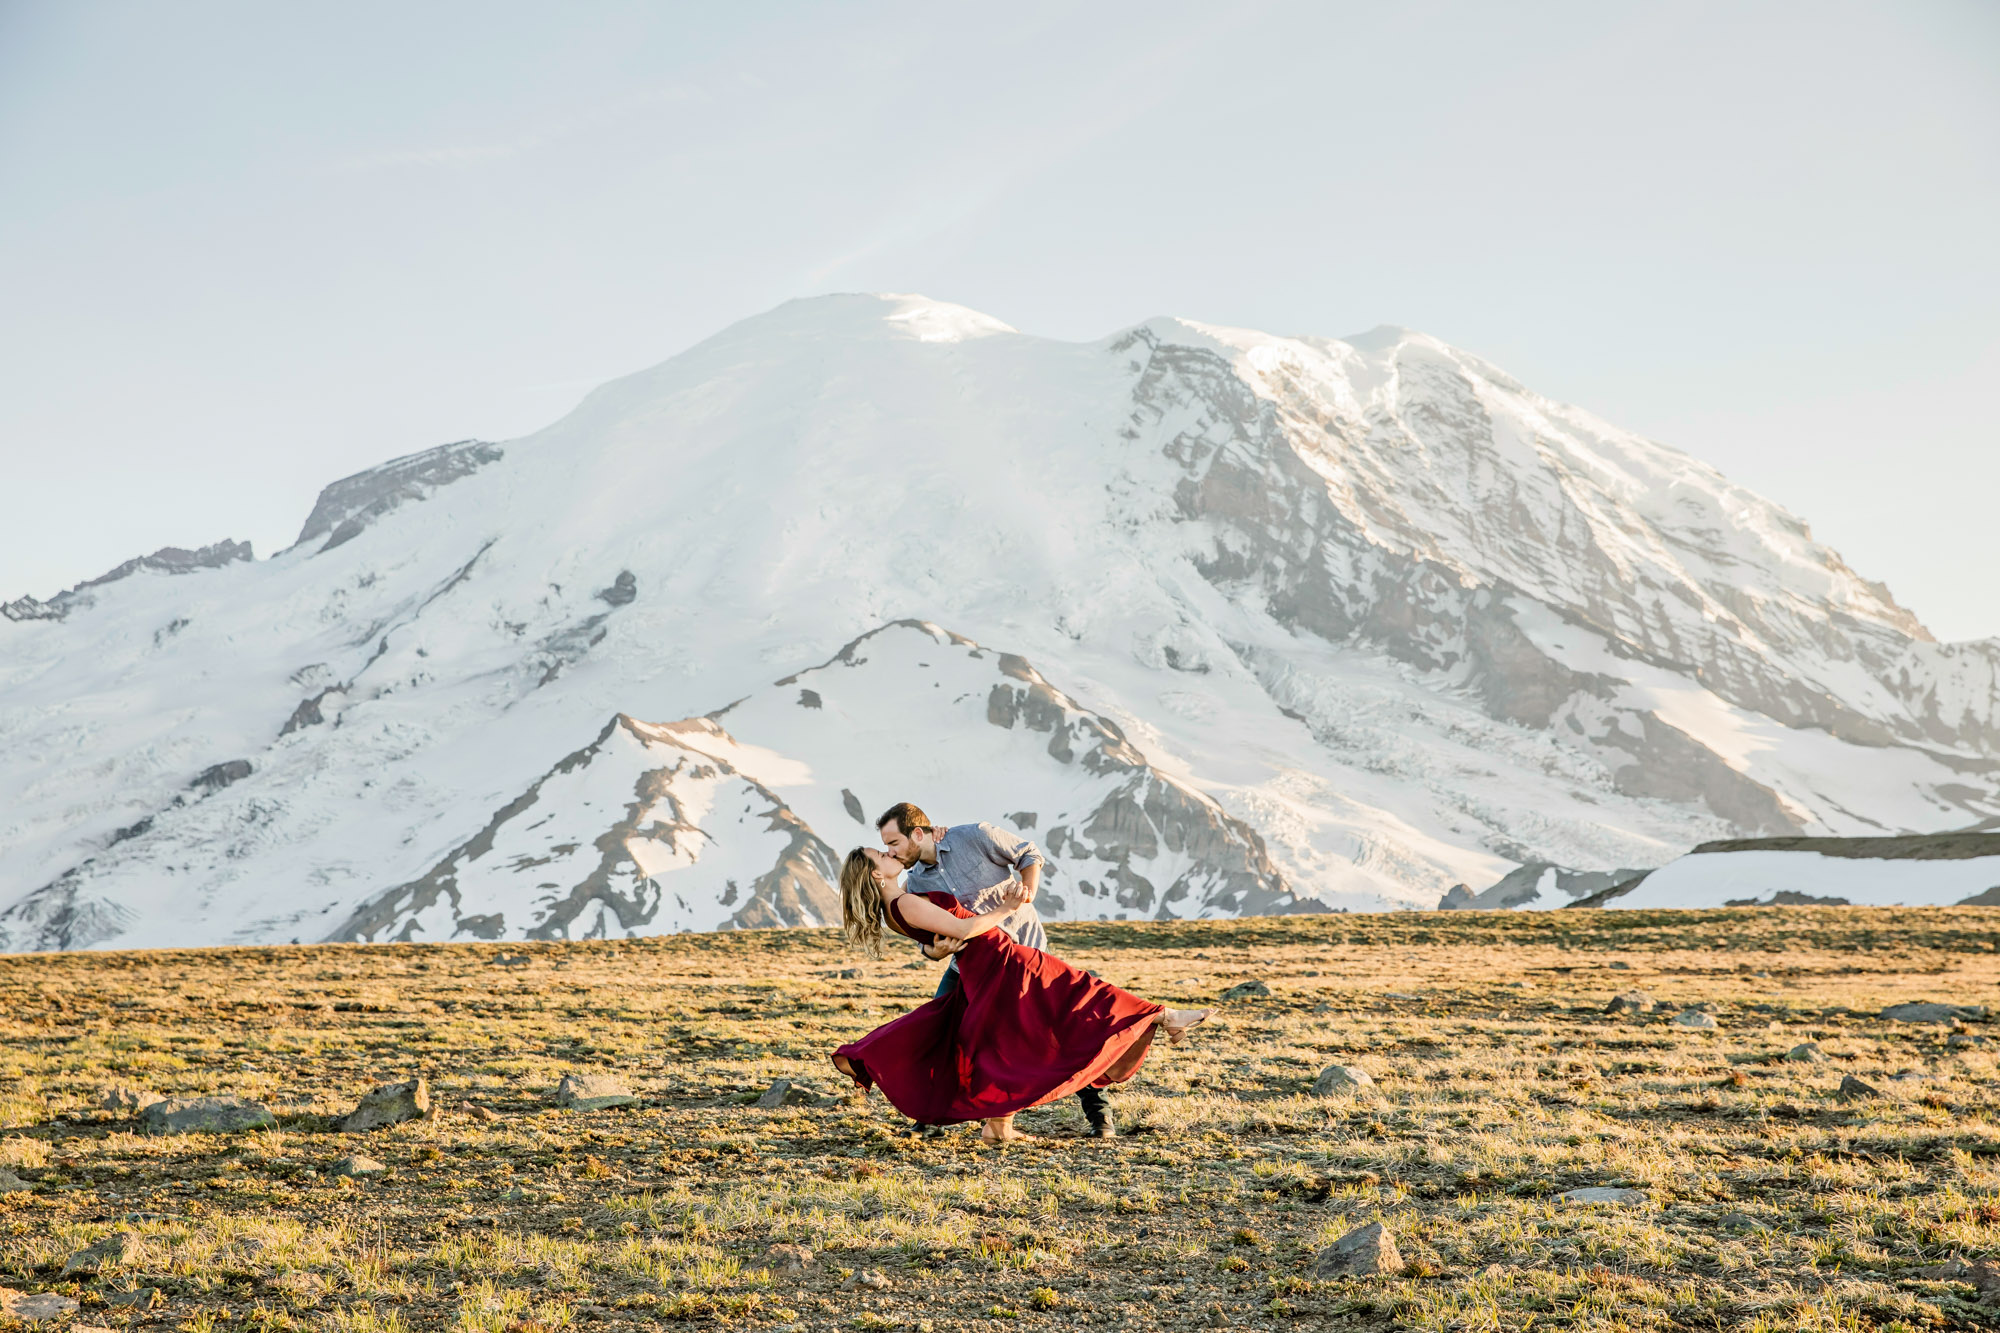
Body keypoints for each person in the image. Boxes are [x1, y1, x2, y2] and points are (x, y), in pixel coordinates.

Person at [829, 845, 1211, 1144]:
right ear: (877, 873)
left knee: (1007, 1040)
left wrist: (937, 948)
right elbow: (966, 930)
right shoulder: (905, 902)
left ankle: (998, 1128)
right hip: (1001, 960)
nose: (888, 853)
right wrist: (1007, 907)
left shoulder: (901, 902)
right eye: (881, 854)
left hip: (993, 963)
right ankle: (1164, 1017)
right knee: (1080, 990)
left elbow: (944, 937)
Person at [876, 802, 1134, 1137]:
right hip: (968, 968)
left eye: (893, 843)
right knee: (943, 1033)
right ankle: (928, 1121)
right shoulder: (914, 885)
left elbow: (1029, 853)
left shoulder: (976, 836)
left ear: (918, 833)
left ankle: (1099, 1116)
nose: (890, 852)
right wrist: (931, 950)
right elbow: (929, 935)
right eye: (886, 847)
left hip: (1023, 957)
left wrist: (1027, 890)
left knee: (1060, 1032)